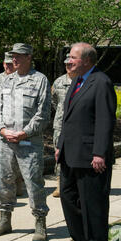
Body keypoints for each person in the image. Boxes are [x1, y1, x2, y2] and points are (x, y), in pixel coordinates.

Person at [55, 42, 117, 241]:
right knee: (68, 196)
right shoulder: (77, 81)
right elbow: (68, 117)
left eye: (72, 57)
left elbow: (105, 121)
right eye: (68, 57)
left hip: (91, 156)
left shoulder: (101, 82)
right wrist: (60, 145)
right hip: (70, 154)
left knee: (93, 202)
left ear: (87, 60)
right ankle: (80, 238)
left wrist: (100, 153)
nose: (68, 61)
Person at [0, 43, 51, 241]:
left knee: (34, 183)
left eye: (18, 56)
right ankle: (5, 219)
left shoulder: (40, 80)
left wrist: (24, 133)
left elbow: (43, 114)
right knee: (4, 180)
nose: (14, 59)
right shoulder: (5, 82)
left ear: (29, 57)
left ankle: (40, 223)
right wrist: (2, 129)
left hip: (29, 143)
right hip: (6, 142)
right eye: (13, 56)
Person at [0, 52, 24, 196]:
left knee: (17, 155)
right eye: (6, 63)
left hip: (16, 124)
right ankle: (2, 187)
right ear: (3, 64)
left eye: (11, 63)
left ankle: (18, 184)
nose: (8, 66)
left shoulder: (22, 79)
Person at [50, 53, 77, 197]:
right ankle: (60, 184)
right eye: (66, 64)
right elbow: (54, 102)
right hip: (61, 125)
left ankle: (75, 184)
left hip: (79, 126)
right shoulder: (58, 83)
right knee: (59, 155)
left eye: (71, 64)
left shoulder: (83, 81)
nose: (68, 67)